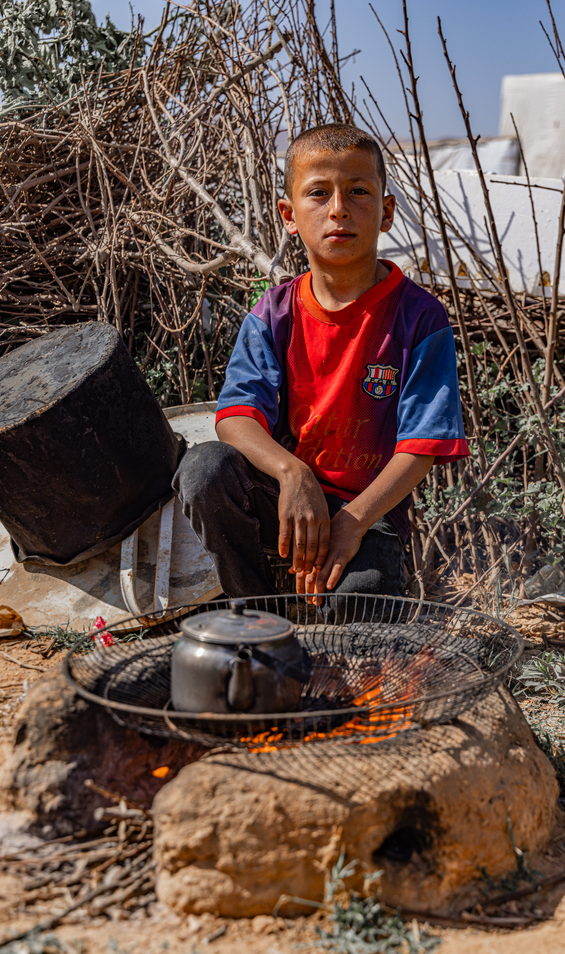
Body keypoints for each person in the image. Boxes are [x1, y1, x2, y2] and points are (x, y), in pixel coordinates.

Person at [174, 123, 469, 603]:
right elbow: (235, 419)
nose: (338, 210)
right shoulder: (274, 313)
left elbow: (423, 445)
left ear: (386, 211)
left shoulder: (419, 317)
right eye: (318, 194)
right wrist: (295, 475)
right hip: (284, 500)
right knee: (205, 468)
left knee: (360, 611)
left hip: (366, 516)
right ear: (289, 216)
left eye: (358, 191)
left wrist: (351, 523)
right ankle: (255, 616)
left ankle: (349, 596)